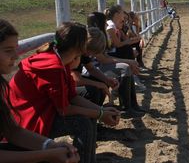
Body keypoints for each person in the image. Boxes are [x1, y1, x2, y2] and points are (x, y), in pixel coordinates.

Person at [9, 22, 120, 163]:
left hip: (39, 111)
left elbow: (72, 96)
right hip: (29, 121)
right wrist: (101, 114)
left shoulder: (58, 59)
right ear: (80, 47)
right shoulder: (54, 66)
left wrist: (101, 110)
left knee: (87, 116)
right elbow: (64, 109)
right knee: (82, 123)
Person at [0, 19, 80, 163]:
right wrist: (48, 154)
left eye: (15, 49)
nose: (16, 55)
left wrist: (49, 145)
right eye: (8, 50)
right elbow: (64, 108)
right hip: (34, 119)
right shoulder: (54, 64)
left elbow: (13, 131)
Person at [87, 12, 146, 116]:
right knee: (125, 68)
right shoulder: (93, 37)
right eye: (104, 22)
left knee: (126, 66)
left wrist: (128, 61)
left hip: (97, 66)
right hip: (93, 69)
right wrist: (128, 61)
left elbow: (105, 57)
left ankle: (132, 104)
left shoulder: (98, 34)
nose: (106, 24)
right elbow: (103, 60)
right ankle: (126, 107)